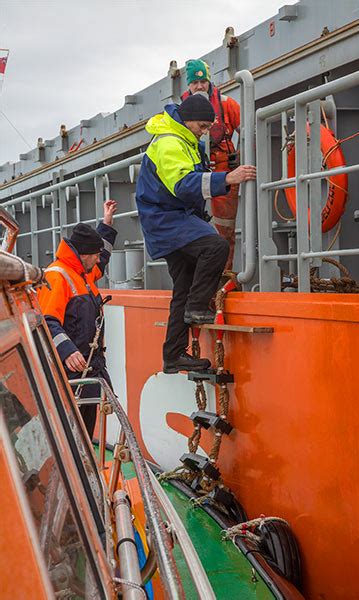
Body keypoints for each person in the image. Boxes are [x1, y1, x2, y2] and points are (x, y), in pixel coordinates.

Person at [135, 94, 256, 374]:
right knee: (215, 247)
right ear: (188, 120)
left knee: (184, 285)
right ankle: (198, 308)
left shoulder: (184, 139)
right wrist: (227, 178)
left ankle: (173, 355)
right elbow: (183, 184)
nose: (205, 132)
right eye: (202, 126)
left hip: (168, 220)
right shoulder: (169, 143)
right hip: (167, 220)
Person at [38, 200, 117, 439]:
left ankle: (86, 466)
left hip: (89, 367)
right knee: (71, 430)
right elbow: (46, 321)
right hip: (71, 371)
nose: (98, 261)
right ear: (82, 255)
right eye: (94, 256)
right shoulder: (57, 276)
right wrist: (68, 351)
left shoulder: (83, 270)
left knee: (86, 424)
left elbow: (102, 259)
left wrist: (107, 223)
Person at [182, 58, 241, 271]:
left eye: (203, 82)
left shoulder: (226, 104)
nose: (199, 86)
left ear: (209, 82)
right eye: (195, 83)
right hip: (193, 174)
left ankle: (223, 276)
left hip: (223, 173)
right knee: (190, 226)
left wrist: (240, 155)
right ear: (188, 85)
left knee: (224, 230)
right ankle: (197, 275)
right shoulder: (182, 110)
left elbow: (250, 130)